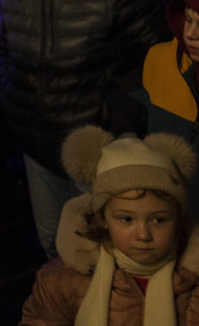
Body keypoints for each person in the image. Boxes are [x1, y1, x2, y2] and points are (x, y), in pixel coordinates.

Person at [1, 0, 169, 259]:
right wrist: (10, 107)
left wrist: (123, 129)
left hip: (99, 149)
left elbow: (158, 62)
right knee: (55, 250)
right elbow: (9, 56)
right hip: (37, 146)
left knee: (104, 257)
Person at [20, 126, 199, 325]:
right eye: (126, 219)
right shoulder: (60, 281)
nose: (143, 234)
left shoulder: (194, 281)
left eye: (159, 220)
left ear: (178, 219)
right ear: (103, 219)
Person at [130, 0, 199, 212]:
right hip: (165, 211)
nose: (191, 34)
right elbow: (128, 113)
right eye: (188, 20)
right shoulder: (160, 60)